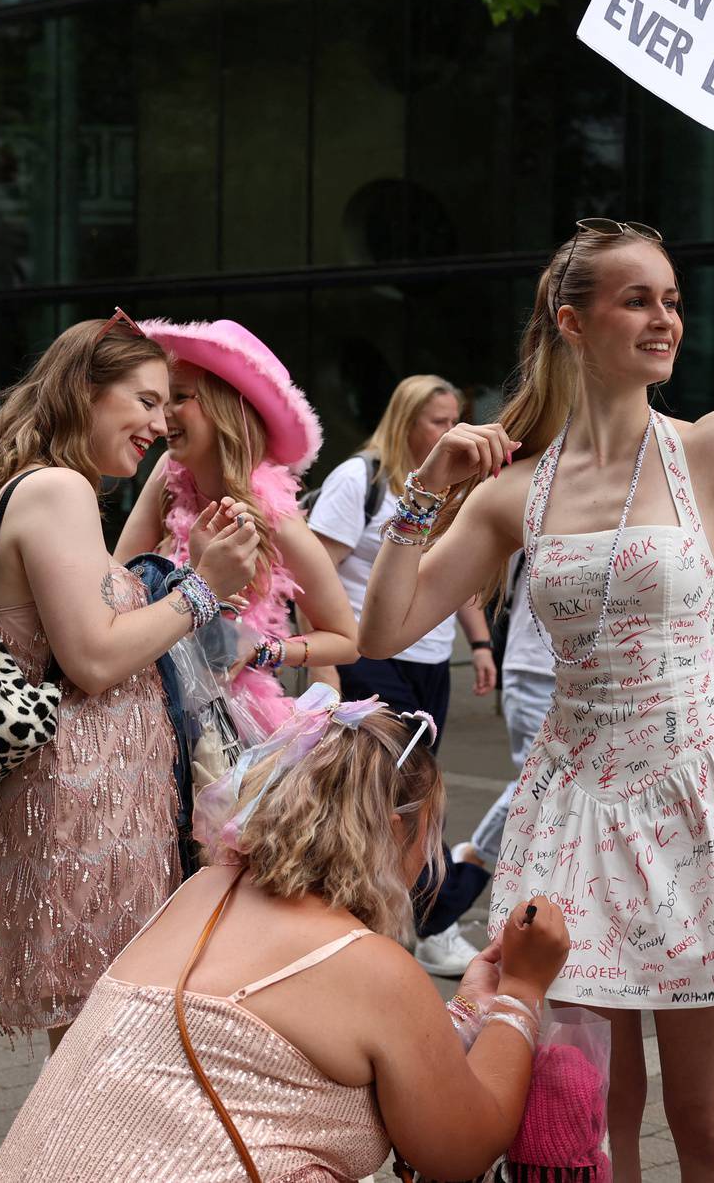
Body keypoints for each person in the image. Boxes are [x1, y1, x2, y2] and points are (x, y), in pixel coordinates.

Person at [357, 95, 714, 1178]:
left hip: (692, 796)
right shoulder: (510, 492)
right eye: (636, 302)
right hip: (570, 805)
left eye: (671, 300)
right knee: (582, 1108)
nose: (665, 319)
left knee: (707, 1122)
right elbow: (383, 625)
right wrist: (425, 492)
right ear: (574, 322)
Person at [0, 690, 571, 1183]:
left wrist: (467, 1009)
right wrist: (520, 990)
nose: (429, 854)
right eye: (430, 832)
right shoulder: (371, 967)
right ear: (393, 831)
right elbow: (460, 1150)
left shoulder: (201, 893)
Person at [0, 308, 260, 1049]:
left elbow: (98, 624)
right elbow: (95, 658)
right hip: (81, 804)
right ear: (85, 390)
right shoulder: (57, 491)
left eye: (168, 402)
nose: (160, 423)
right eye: (145, 400)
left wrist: (191, 576)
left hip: (99, 801)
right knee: (101, 1047)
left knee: (99, 1042)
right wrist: (203, 587)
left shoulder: (50, 489)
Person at [306, 374, 497, 977]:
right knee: (394, 791)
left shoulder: (451, 489)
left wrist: (482, 642)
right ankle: (435, 920)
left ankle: (407, 911)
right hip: (371, 654)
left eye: (454, 419)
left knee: (410, 794)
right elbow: (313, 576)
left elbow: (455, 575)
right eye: (437, 421)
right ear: (407, 420)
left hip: (431, 662)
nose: (449, 432)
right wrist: (325, 664)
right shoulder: (359, 480)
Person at [116, 318, 361, 735]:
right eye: (157, 400)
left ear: (226, 406)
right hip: (146, 702)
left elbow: (347, 639)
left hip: (228, 726)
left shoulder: (276, 520)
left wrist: (264, 650)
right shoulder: (167, 475)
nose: (163, 416)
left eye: (179, 397)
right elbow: (116, 576)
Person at [460, 551, 556, 875]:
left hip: (605, 678)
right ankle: (470, 862)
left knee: (572, 788)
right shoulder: (531, 501)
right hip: (535, 669)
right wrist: (480, 646)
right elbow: (469, 577)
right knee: (540, 781)